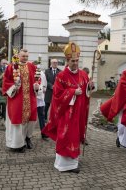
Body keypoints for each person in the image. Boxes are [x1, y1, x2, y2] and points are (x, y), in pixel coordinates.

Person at [42, 42, 93, 173]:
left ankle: (73, 163)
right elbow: (57, 96)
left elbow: (87, 90)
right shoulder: (61, 76)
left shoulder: (83, 74)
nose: (75, 63)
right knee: (66, 137)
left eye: (77, 60)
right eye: (72, 61)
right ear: (67, 60)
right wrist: (71, 92)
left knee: (75, 137)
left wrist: (90, 86)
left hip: (79, 112)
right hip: (66, 113)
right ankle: (64, 165)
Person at [2, 49, 38, 153]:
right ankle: (17, 144)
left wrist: (37, 85)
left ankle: (28, 138)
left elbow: (37, 79)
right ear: (18, 56)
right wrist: (14, 86)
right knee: (17, 122)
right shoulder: (11, 67)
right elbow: (6, 81)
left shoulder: (32, 66)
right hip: (17, 98)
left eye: (27, 56)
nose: (25, 58)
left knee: (31, 121)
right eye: (23, 56)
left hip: (30, 97)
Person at [35, 67, 47, 140]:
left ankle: (43, 132)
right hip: (33, 97)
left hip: (40, 99)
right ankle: (27, 134)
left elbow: (44, 83)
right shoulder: (31, 73)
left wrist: (43, 90)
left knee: (41, 116)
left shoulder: (42, 73)